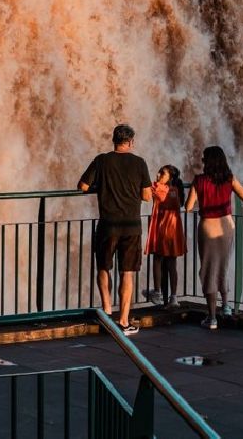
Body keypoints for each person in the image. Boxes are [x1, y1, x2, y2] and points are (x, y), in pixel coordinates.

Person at [77, 124, 152, 335]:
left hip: (107, 225)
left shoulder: (101, 161)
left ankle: (107, 312)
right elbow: (147, 195)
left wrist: (99, 186)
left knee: (103, 267)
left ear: (114, 140)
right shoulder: (139, 163)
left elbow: (82, 186)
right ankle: (124, 320)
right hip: (131, 226)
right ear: (130, 142)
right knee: (127, 272)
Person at [184, 145, 243, 329]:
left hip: (208, 227)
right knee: (222, 266)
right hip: (226, 225)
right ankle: (227, 306)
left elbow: (189, 207)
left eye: (204, 159)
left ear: (208, 161)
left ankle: (212, 317)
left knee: (208, 270)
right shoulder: (229, 178)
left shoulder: (199, 180)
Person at [144, 164, 186, 308]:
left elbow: (145, 193)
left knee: (157, 259)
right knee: (172, 264)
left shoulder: (159, 188)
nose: (158, 175)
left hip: (162, 229)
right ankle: (173, 296)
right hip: (174, 230)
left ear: (170, 177)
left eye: (162, 173)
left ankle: (157, 292)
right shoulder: (177, 190)